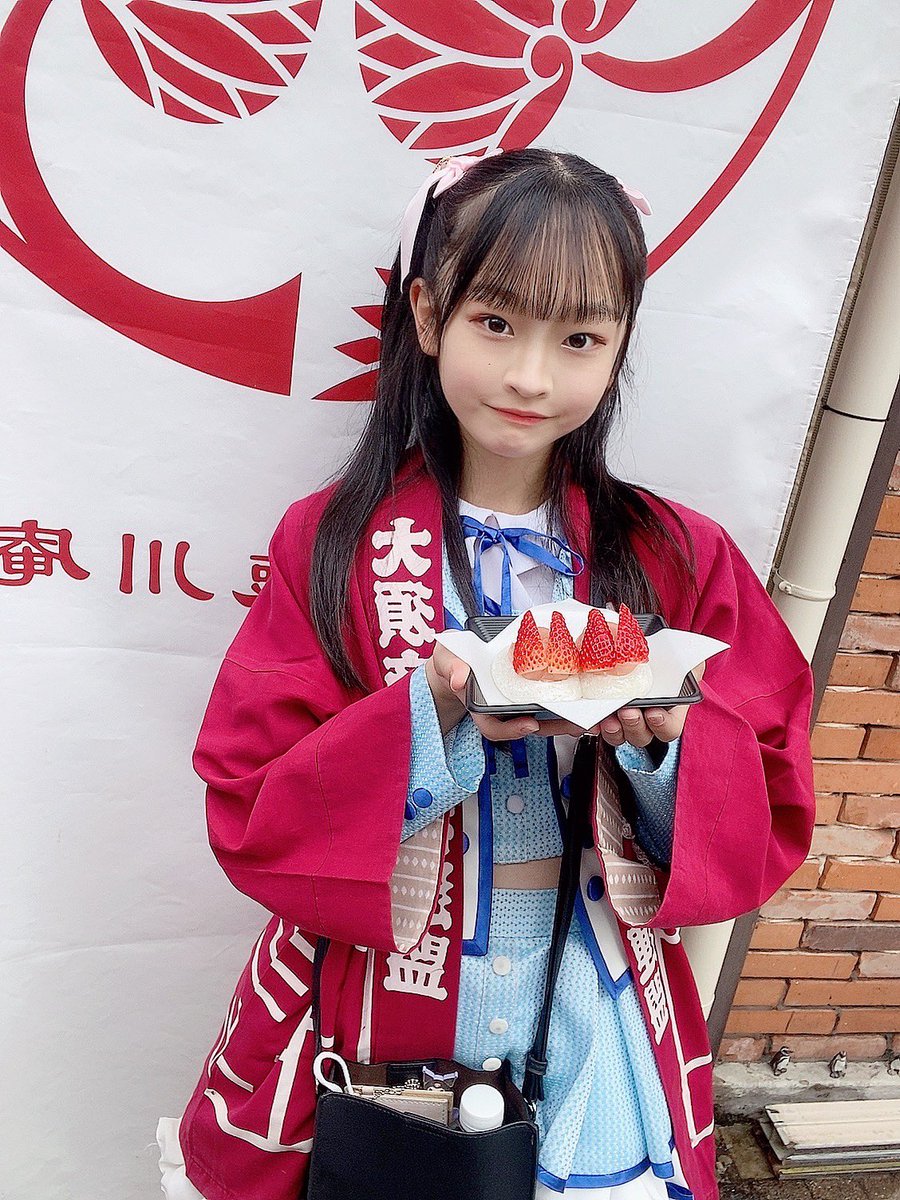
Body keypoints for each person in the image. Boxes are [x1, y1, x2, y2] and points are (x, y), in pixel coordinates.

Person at [157, 148, 815, 1200]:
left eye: (580, 338)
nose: (531, 377)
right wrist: (428, 713)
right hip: (382, 997)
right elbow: (250, 795)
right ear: (427, 315)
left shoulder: (678, 554)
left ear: (621, 345)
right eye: (497, 322)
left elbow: (770, 790)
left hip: (587, 1005)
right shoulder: (333, 543)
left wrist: (663, 749)